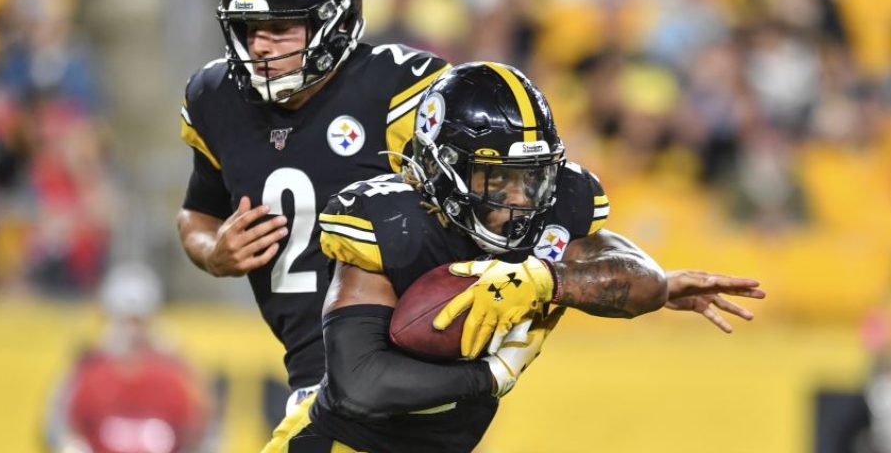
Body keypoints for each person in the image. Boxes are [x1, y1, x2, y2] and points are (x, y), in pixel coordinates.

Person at [265, 62, 766, 452]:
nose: (523, 198)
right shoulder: (392, 222)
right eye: (498, 177)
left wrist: (549, 280)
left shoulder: (556, 203)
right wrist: (490, 376)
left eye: (532, 176)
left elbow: (646, 282)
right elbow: (360, 386)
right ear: (444, 169)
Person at [174, 0, 451, 410]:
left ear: (334, 22)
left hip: (411, 371)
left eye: (280, 28)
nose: (258, 44)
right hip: (312, 384)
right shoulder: (216, 97)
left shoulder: (404, 90)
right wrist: (213, 253)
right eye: (249, 28)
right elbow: (197, 213)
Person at [47, 263, 213, 453]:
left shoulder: (176, 372)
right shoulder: (88, 369)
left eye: (137, 321)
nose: (131, 332)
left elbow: (204, 430)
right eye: (123, 321)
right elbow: (58, 430)